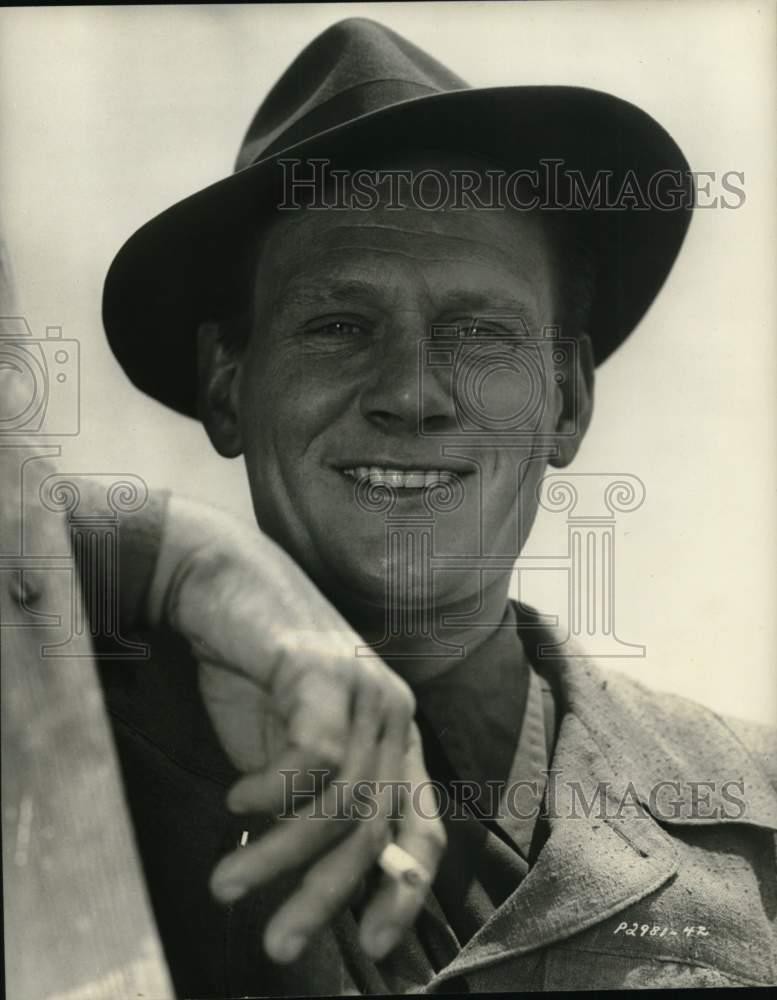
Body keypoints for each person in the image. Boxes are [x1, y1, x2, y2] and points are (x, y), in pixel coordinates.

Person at [95, 18, 776, 994]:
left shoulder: (758, 813)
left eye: (478, 332)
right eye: (338, 324)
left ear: (570, 400)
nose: (411, 391)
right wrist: (175, 554)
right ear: (226, 386)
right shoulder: (82, 764)